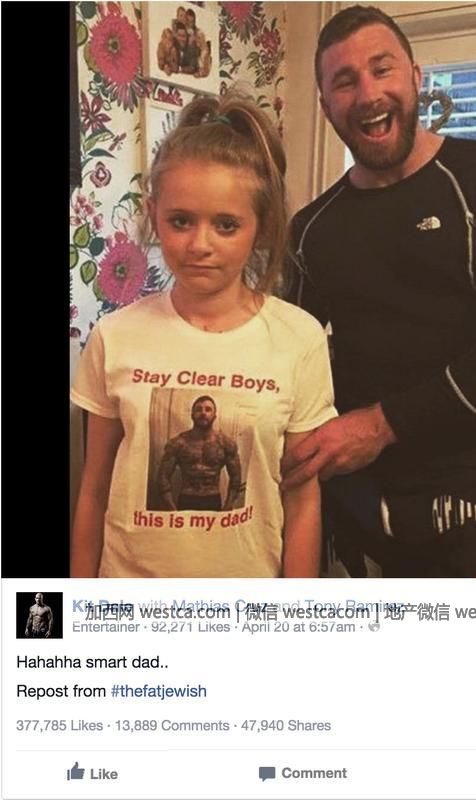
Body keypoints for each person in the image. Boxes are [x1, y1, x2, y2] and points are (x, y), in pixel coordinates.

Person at [283, 5, 476, 578]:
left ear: (416, 77)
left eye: (382, 69)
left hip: (470, 519)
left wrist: (378, 426)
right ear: (325, 104)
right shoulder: (312, 228)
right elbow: (286, 354)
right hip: (348, 519)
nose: (368, 94)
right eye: (345, 81)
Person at [71, 91, 336, 578]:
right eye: (180, 221)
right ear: (154, 215)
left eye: (226, 225)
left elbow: (301, 502)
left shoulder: (299, 339)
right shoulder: (114, 337)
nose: (199, 244)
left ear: (261, 226)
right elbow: (94, 490)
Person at [157, 395, 242, 512]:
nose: (203, 413)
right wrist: (171, 508)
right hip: (186, 499)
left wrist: (228, 505)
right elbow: (163, 477)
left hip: (213, 499)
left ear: (214, 415)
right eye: (198, 409)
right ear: (192, 415)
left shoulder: (225, 444)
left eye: (208, 409)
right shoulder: (178, 443)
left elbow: (236, 478)